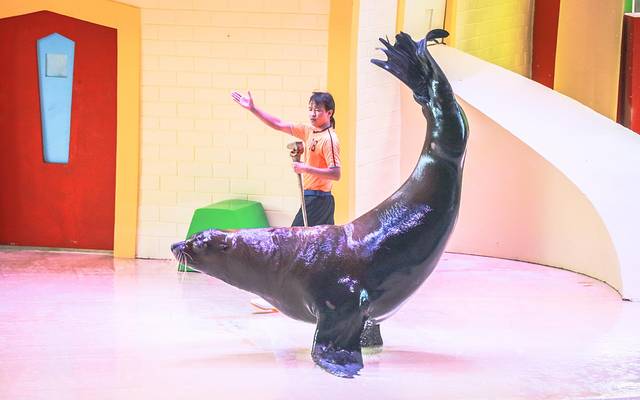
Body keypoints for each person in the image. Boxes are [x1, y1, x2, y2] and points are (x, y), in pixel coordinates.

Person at [231, 90, 341, 311]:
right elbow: (279, 124)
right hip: (313, 198)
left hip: (318, 200)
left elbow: (336, 173)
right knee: (322, 250)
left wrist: (305, 168)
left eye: (318, 110)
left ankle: (278, 299)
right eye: (310, 109)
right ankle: (326, 296)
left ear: (329, 113)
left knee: (290, 246)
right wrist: (253, 108)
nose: (312, 113)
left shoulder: (329, 140)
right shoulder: (309, 131)